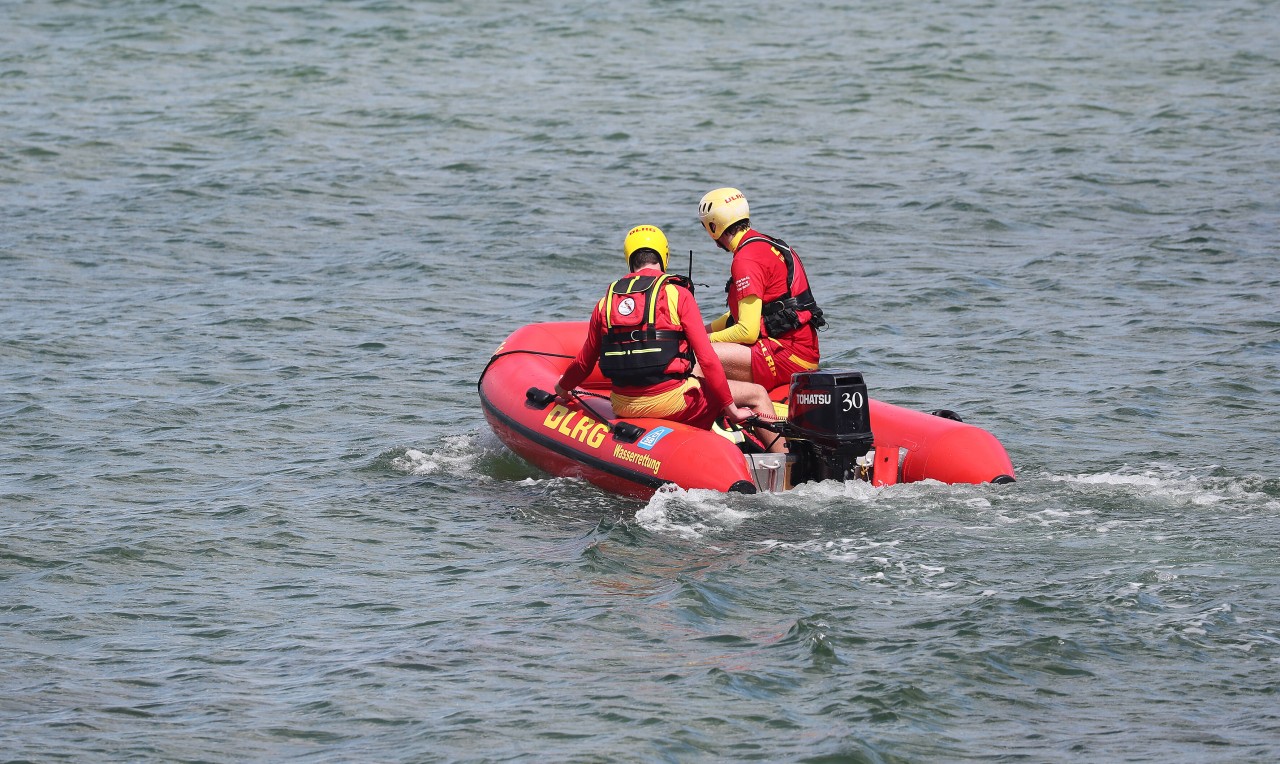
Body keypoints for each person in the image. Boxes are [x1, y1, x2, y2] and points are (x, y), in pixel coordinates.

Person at [554, 224, 784, 452]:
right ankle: (787, 465)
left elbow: (583, 363)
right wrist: (731, 408)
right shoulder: (677, 294)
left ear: (629, 258)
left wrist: (562, 389)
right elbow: (708, 359)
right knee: (756, 395)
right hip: (672, 404)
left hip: (623, 405)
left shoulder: (606, 302)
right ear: (664, 256)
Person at [696, 187, 827, 390]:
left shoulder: (745, 259)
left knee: (693, 356)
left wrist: (701, 341)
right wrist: (700, 331)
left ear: (714, 226)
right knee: (699, 343)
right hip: (802, 351)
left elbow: (747, 331)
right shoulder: (763, 243)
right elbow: (739, 316)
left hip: (789, 357)